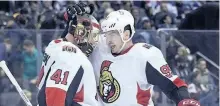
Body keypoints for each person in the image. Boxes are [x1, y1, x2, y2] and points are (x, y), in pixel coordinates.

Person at [88, 10, 200, 106]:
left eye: (112, 34)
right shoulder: (99, 46)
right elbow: (83, 33)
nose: (108, 40)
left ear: (126, 34)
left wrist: (185, 100)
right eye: (106, 34)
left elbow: (172, 85)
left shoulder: (144, 56)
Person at [36, 3, 99, 106]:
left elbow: (67, 37)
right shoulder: (71, 54)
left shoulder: (55, 46)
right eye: (93, 35)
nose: (93, 42)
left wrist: (71, 21)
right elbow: (56, 97)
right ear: (79, 32)